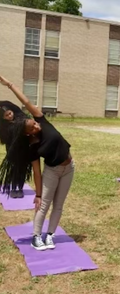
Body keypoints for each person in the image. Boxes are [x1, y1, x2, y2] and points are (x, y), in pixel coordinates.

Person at [0, 75, 74, 251]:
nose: (36, 127)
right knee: (44, 204)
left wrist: (9, 84)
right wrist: (38, 195)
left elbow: (25, 102)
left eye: (34, 123)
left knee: (59, 205)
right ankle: (36, 236)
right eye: (32, 127)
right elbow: (36, 171)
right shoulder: (32, 146)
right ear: (27, 133)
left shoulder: (41, 119)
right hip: (53, 171)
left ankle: (49, 235)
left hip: (70, 168)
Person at [0, 101, 28, 198]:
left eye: (10, 113)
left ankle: (19, 188)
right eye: (6, 115)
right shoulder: (4, 127)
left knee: (22, 168)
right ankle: (13, 187)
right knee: (13, 168)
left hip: (24, 148)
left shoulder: (21, 118)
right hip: (12, 149)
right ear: (3, 118)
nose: (10, 115)